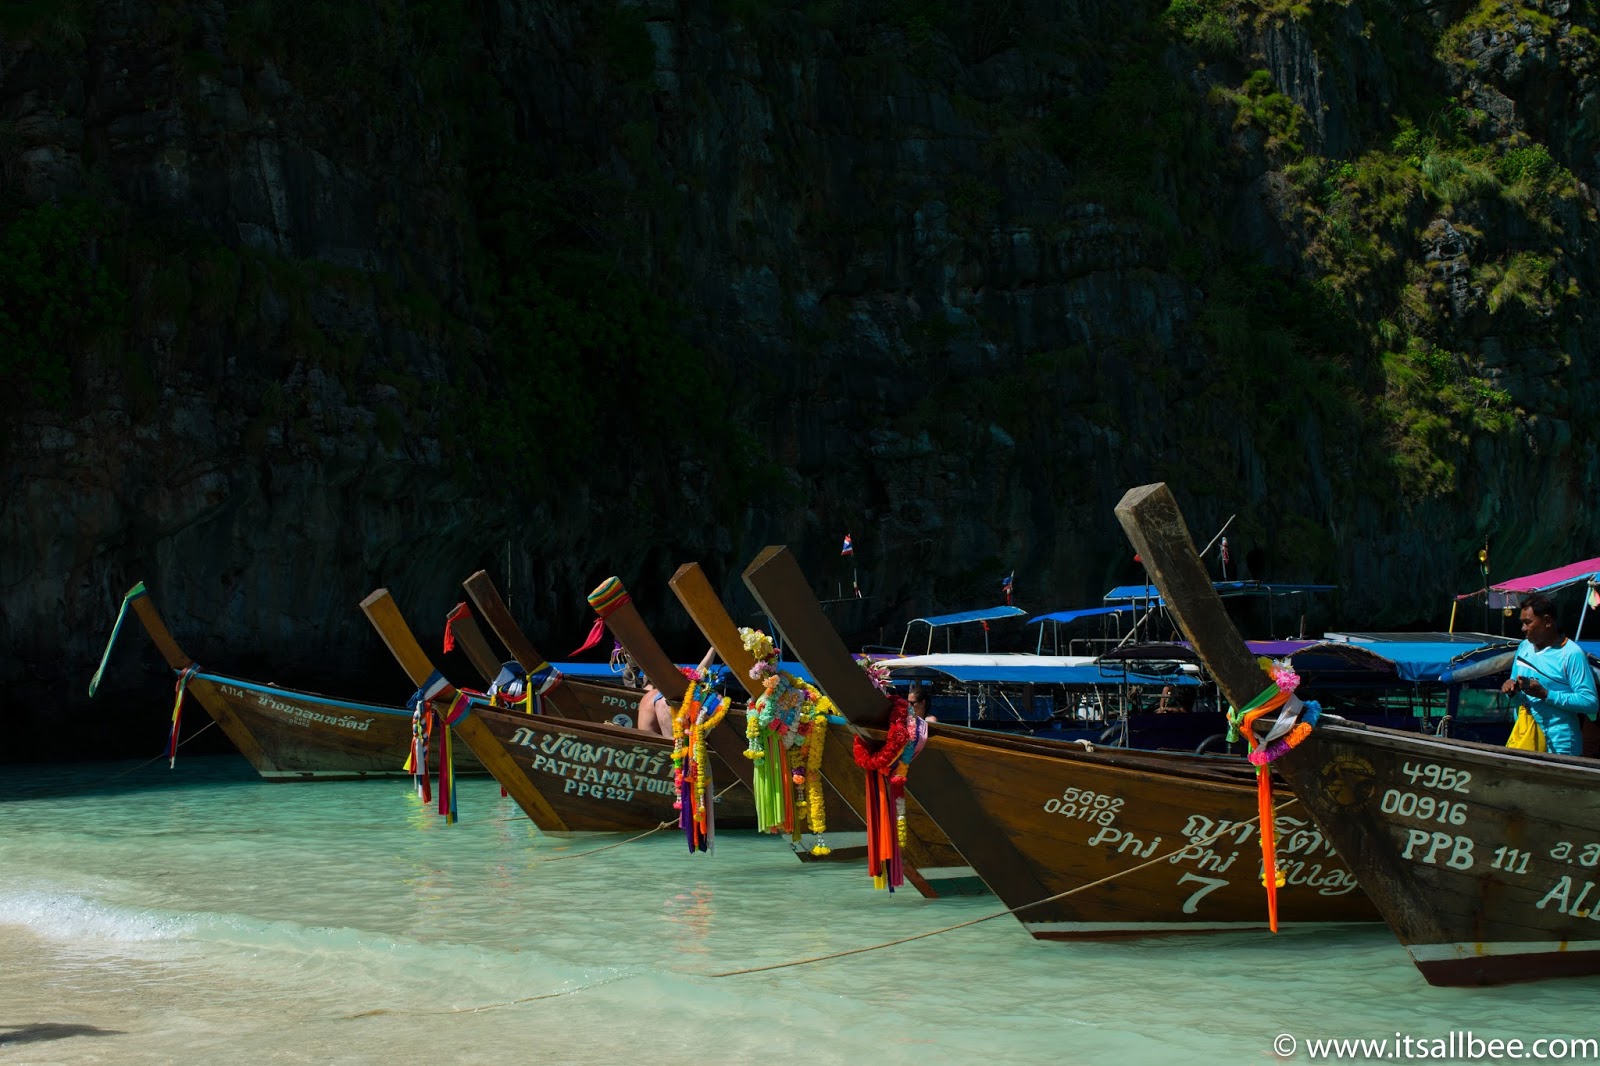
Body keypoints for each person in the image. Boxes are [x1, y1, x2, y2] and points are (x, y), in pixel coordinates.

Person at [1500, 593, 1598, 757]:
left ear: (1547, 621)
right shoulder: (1524, 647)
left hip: (1561, 747)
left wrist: (1545, 694)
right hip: (1525, 740)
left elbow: (1590, 702)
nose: (1523, 628)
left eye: (1528, 622)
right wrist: (1511, 689)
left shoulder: (1571, 654)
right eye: (1522, 623)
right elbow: (1515, 689)